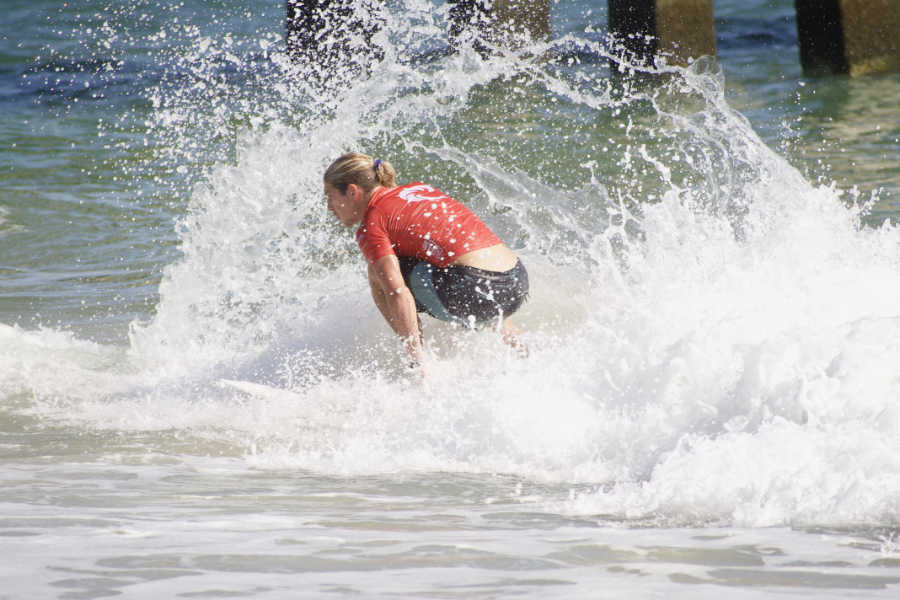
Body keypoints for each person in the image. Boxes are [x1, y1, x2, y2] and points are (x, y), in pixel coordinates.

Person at [323, 152, 529, 367]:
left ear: (352, 191)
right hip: (517, 282)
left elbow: (398, 294)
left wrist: (417, 362)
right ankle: (523, 348)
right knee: (466, 271)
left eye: (330, 196)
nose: (329, 207)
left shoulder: (372, 224)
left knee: (377, 274)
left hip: (472, 288)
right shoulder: (420, 189)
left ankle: (420, 363)